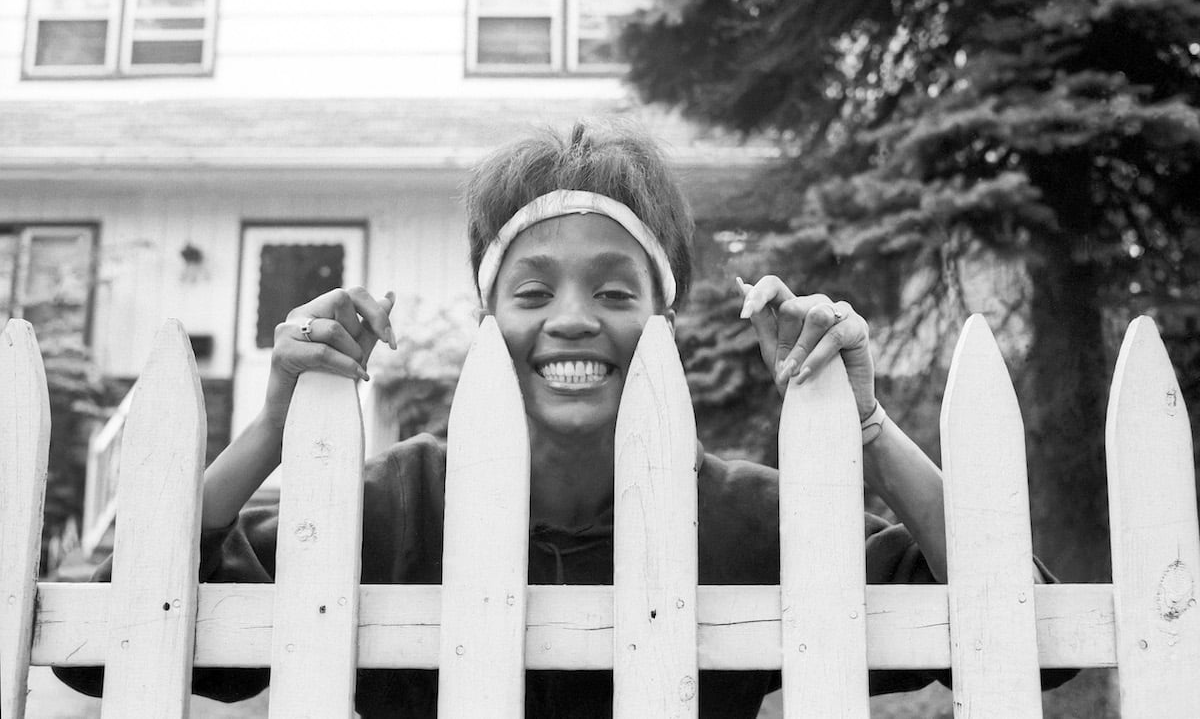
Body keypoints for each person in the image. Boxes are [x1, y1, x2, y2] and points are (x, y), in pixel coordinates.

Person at [57, 119, 1070, 717]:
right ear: (489, 317)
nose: (574, 318)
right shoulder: (386, 508)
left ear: (664, 318)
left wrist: (865, 428)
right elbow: (102, 644)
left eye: (617, 292)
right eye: (532, 290)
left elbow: (1027, 630)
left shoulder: (753, 521)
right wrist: (275, 427)